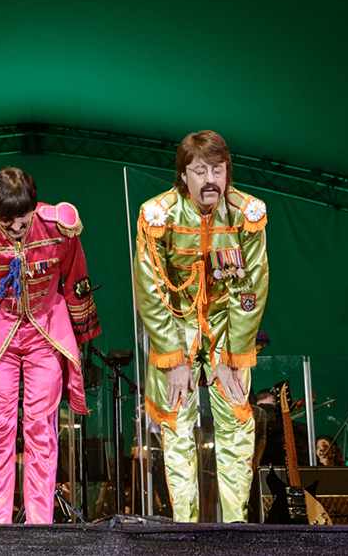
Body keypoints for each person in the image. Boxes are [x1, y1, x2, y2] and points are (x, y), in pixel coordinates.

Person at [0, 166, 102, 524]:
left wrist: (82, 334)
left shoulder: (58, 227)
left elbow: (76, 279)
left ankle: (39, 524)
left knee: (41, 427)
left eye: (23, 217)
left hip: (45, 332)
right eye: (7, 220)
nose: (17, 226)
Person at [133, 130, 269, 523]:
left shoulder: (247, 214)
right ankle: (184, 528)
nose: (210, 180)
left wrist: (232, 355)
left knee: (237, 424)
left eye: (217, 170)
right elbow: (150, 288)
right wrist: (173, 359)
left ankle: (236, 526)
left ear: (228, 171)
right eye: (200, 171)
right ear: (183, 176)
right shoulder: (157, 215)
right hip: (176, 327)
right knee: (177, 426)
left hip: (228, 327)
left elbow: (251, 287)